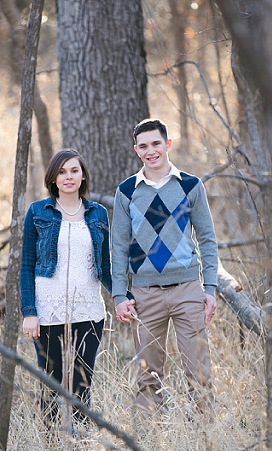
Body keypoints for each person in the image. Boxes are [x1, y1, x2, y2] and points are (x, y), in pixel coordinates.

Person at [112, 118, 218, 413]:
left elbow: (207, 239)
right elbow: (118, 246)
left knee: (199, 373)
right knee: (148, 376)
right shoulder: (128, 191)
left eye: (156, 144)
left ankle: (207, 443)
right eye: (143, 146)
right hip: (145, 294)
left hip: (187, 291)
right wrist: (120, 296)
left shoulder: (190, 186)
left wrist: (209, 288)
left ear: (167, 144)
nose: (151, 151)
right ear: (136, 151)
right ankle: (149, 444)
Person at [20, 148, 112, 425]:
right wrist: (29, 312)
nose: (68, 176)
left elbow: (104, 267)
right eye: (62, 171)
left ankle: (81, 450)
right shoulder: (38, 212)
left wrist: (123, 296)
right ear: (54, 178)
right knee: (51, 382)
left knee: (82, 385)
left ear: (83, 176)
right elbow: (26, 266)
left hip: (88, 310)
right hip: (48, 310)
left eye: (74, 170)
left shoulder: (98, 214)